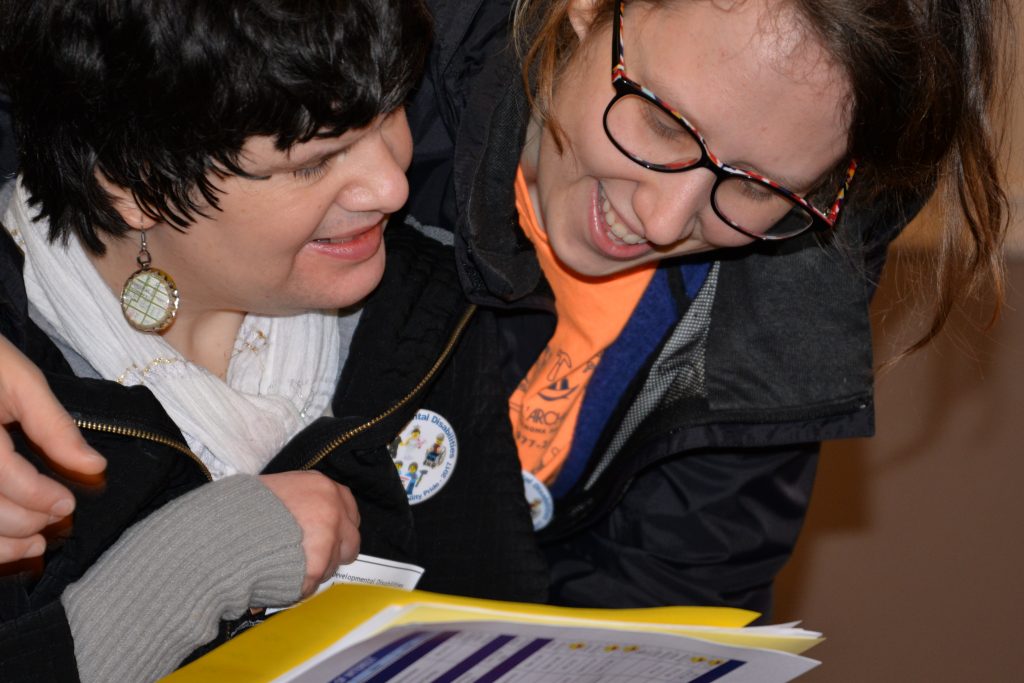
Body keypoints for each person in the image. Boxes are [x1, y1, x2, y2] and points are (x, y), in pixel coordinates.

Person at [394, 0, 1008, 616]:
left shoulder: (774, 295)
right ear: (586, 9)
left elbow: (669, 603)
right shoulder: (371, 118)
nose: (663, 223)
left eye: (753, 185)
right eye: (663, 123)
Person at [0, 0, 437, 679]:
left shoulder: (432, 312)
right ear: (138, 179)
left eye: (393, 109)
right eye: (316, 161)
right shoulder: (17, 413)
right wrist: (188, 573)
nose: (391, 183)